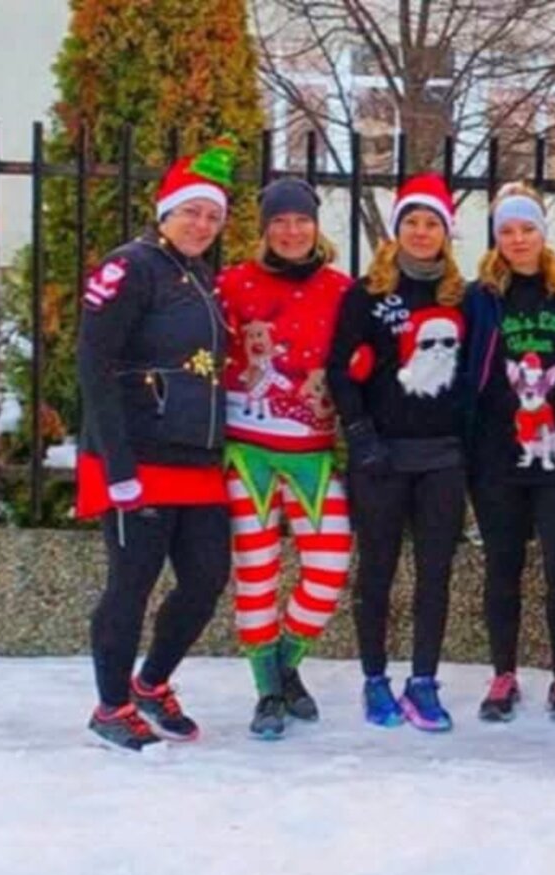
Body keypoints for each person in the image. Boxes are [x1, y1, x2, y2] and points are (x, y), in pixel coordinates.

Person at [77, 143, 237, 751]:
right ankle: (111, 706)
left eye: (212, 216)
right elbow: (94, 364)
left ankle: (151, 683)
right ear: (164, 211)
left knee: (206, 579)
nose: (201, 224)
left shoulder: (198, 275)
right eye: (191, 212)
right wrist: (117, 464)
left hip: (196, 458)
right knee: (132, 583)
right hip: (137, 456)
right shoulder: (130, 267)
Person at [327, 172, 469, 732]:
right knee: (377, 571)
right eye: (412, 221)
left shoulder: (462, 297)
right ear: (396, 229)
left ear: (446, 233)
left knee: (435, 573)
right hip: (381, 455)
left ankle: (424, 680)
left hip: (443, 458)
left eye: (432, 223)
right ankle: (374, 678)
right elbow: (340, 369)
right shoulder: (365, 295)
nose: (421, 231)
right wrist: (359, 433)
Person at [217, 177, 354, 739]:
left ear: (316, 226)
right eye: (279, 221)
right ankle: (268, 691)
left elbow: (358, 359)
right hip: (246, 449)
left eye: (301, 220)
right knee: (257, 572)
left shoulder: (341, 288)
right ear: (264, 228)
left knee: (329, 565)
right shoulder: (232, 283)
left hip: (311, 451)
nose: (291, 231)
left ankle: (285, 666)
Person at [463, 182, 555, 722]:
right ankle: (503, 673)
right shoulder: (480, 297)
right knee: (502, 568)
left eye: (527, 229)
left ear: (543, 232)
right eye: (507, 231)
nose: (518, 240)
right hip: (497, 459)